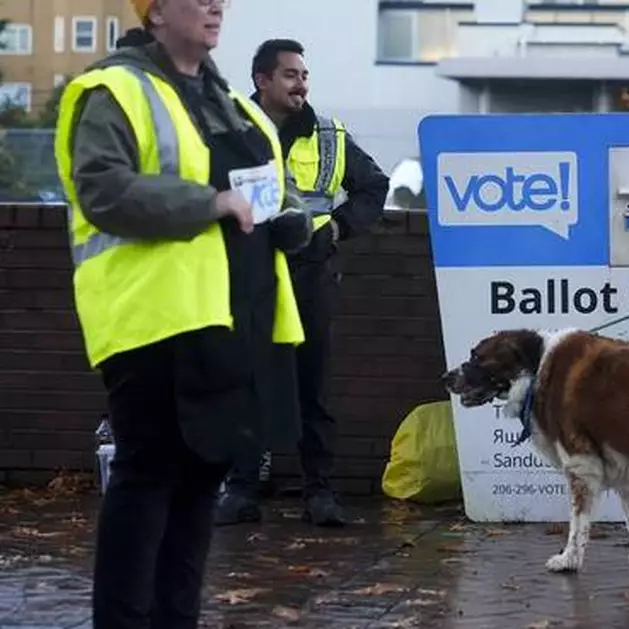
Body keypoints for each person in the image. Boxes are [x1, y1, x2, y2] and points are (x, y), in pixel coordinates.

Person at [54, 0, 314, 625]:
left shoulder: (230, 101)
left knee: (201, 485)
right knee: (148, 480)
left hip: (233, 323)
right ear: (156, 12)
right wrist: (211, 202)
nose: (214, 4)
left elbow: (274, 190)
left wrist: (293, 218)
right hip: (152, 319)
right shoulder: (112, 89)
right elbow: (103, 188)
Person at [214, 38, 389, 527]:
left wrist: (336, 229)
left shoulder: (329, 135)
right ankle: (243, 488)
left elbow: (374, 186)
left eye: (304, 75)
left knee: (313, 386)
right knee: (246, 382)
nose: (301, 84)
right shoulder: (232, 131)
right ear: (262, 81)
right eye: (290, 75)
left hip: (310, 274)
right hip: (249, 275)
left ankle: (321, 492)